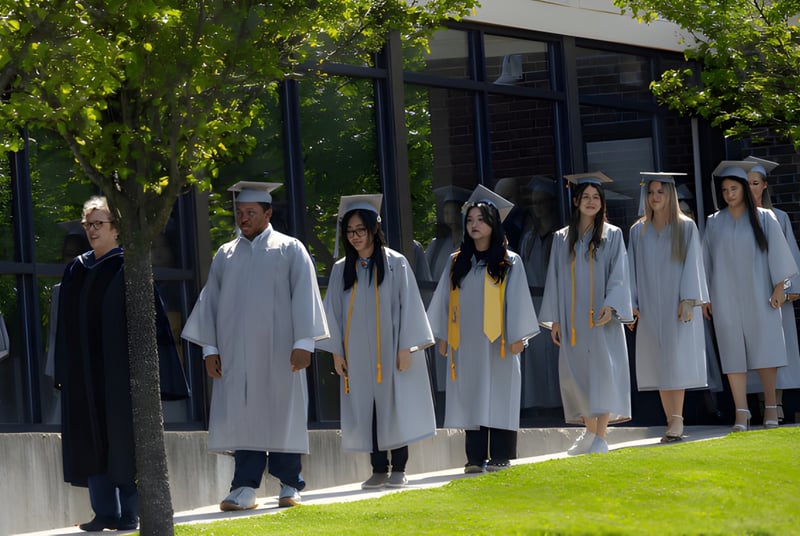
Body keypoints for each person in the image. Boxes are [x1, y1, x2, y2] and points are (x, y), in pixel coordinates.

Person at [181, 181, 329, 510]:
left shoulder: (290, 249)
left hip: (280, 353)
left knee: (282, 412)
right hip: (237, 355)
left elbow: (305, 294)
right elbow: (211, 304)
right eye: (239, 213)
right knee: (244, 415)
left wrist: (304, 342)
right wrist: (210, 349)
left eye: (250, 213)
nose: (243, 218)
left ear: (267, 213)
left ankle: (290, 483)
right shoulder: (226, 254)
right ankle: (244, 487)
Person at [53, 196, 188, 532]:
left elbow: (150, 324)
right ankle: (104, 512)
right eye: (88, 224)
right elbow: (63, 326)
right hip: (84, 373)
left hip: (119, 374)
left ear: (117, 229)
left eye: (99, 224)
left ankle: (130, 512)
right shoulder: (77, 269)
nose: (91, 230)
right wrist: (63, 370)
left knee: (123, 442)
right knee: (90, 439)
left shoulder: (129, 268)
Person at [318, 194, 436, 489]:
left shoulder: (396, 263)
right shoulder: (342, 268)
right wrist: (336, 353)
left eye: (360, 230)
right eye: (349, 231)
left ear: (373, 229)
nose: (355, 237)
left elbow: (409, 306)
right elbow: (331, 312)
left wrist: (406, 346)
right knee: (366, 407)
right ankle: (377, 467)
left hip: (392, 350)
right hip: (356, 353)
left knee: (395, 405)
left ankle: (399, 467)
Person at [427, 185, 539, 473]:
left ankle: (501, 453)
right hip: (466, 343)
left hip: (500, 340)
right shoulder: (457, 262)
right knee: (471, 394)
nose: (474, 225)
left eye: (480, 219)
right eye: (470, 220)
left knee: (500, 392)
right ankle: (475, 457)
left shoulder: (509, 261)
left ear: (493, 224)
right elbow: (442, 300)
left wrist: (519, 335)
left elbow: (518, 300)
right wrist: (441, 334)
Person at [538, 172, 633, 455]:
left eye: (596, 197)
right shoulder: (561, 238)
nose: (591, 202)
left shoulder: (612, 234)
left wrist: (612, 305)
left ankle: (600, 436)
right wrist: (555, 318)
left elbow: (620, 274)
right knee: (577, 374)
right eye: (586, 197)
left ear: (602, 203)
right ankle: (589, 433)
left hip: (601, 317)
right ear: (576, 200)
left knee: (603, 372)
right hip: (572, 318)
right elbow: (554, 278)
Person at [702, 163, 798, 432]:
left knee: (766, 350)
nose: (729, 194)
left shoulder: (765, 218)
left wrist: (781, 286)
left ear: (743, 189)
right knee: (732, 353)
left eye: (734, 188)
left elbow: (779, 254)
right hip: (725, 298)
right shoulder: (714, 222)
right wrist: (706, 297)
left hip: (761, 294)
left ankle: (770, 407)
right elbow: (706, 262)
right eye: (725, 190)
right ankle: (741, 412)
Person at [628, 172, 708, 442]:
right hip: (650, 305)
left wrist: (688, 298)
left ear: (670, 195)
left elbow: (693, 263)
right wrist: (633, 303)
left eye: (660, 192)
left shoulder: (685, 227)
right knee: (660, 362)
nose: (655, 197)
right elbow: (631, 270)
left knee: (676, 359)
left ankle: (677, 420)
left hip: (677, 304)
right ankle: (670, 421)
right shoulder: (638, 231)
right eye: (650, 193)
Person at [744, 157, 800, 423]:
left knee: (777, 346)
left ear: (764, 186)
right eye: (744, 183)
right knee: (749, 347)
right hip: (745, 294)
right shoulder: (730, 220)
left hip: (774, 294)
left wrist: (791, 288)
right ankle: (757, 404)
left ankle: (775, 403)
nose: (749, 188)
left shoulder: (779, 217)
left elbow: (790, 256)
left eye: (754, 183)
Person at [519, 177, 562, 409]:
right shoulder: (529, 238)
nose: (538, 207)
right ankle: (539, 405)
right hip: (534, 303)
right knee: (536, 358)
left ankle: (558, 404)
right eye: (534, 203)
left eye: (542, 202)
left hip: (553, 302)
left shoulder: (559, 237)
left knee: (555, 356)